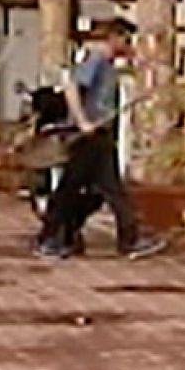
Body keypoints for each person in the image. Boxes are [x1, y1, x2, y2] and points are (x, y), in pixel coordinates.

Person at [34, 19, 166, 261]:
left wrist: (145, 66)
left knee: (109, 189)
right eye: (126, 39)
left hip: (101, 135)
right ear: (114, 37)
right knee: (71, 189)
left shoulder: (110, 66)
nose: (129, 44)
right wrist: (82, 121)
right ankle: (51, 237)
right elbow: (71, 87)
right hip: (87, 136)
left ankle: (127, 238)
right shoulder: (95, 60)